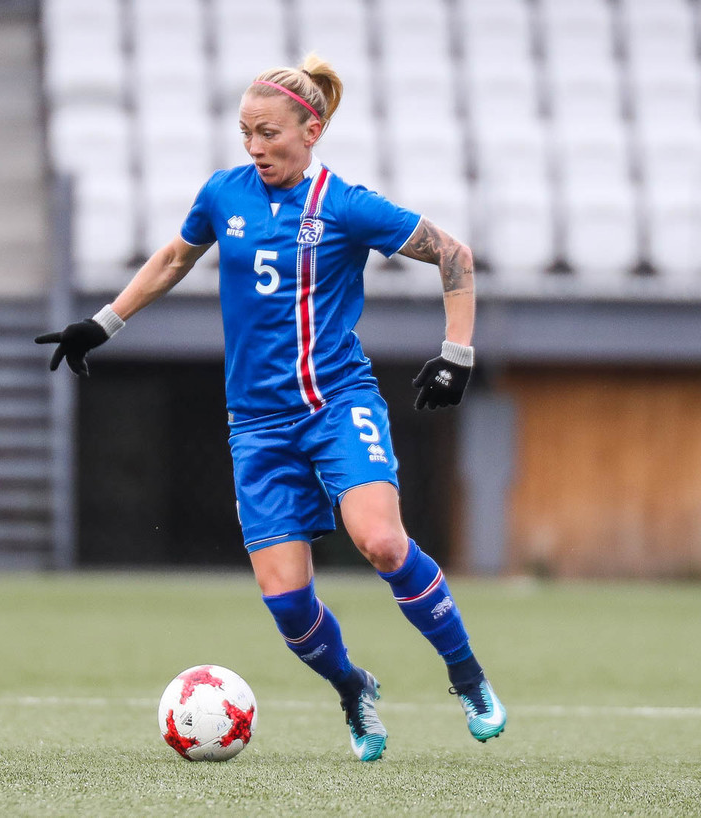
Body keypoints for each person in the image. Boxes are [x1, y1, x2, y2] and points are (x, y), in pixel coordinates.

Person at [36, 54, 506, 762]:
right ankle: (352, 687)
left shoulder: (346, 205)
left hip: (336, 403)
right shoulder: (223, 194)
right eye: (246, 133)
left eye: (269, 133)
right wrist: (101, 324)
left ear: (310, 131)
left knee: (381, 542)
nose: (255, 147)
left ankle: (467, 676)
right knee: (287, 603)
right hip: (257, 426)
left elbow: (454, 255)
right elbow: (173, 258)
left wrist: (457, 353)